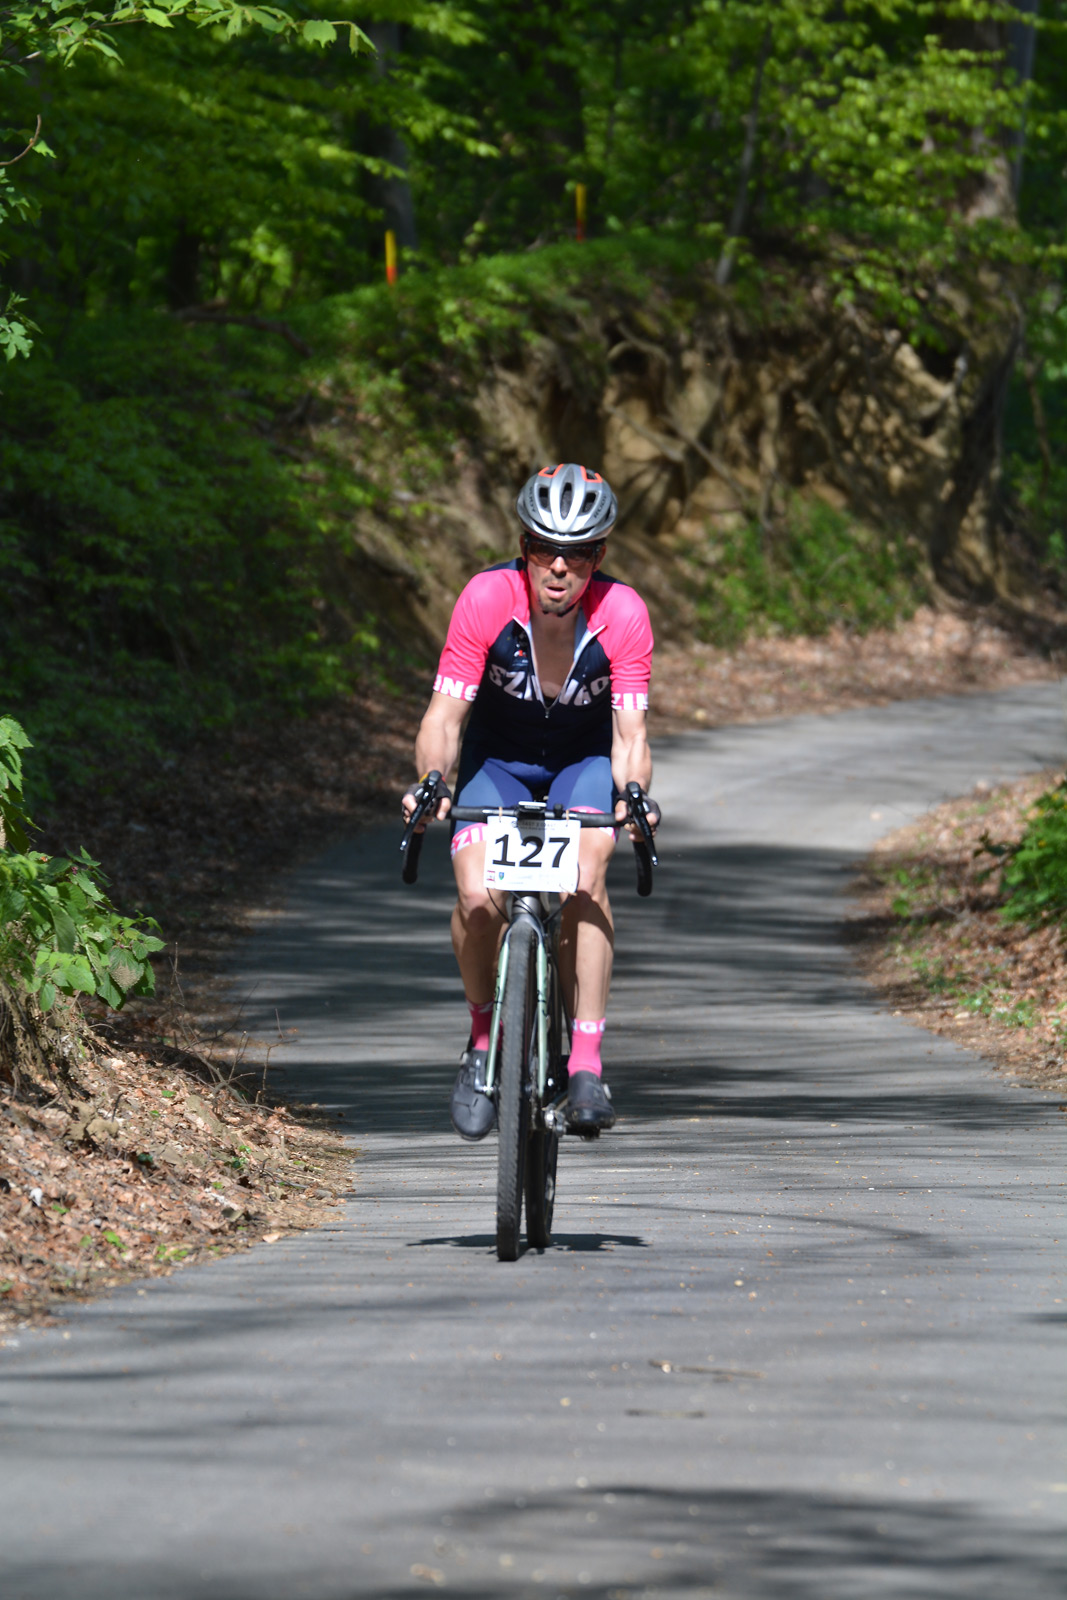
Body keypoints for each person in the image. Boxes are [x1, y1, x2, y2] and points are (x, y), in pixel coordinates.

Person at [401, 462, 659, 1139]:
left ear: (598, 557)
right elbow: (443, 717)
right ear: (523, 549)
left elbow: (630, 733)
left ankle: (586, 1063)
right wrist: (430, 781)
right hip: (498, 764)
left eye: (576, 554)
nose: (558, 568)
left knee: (586, 880)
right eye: (544, 549)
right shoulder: (486, 599)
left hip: (581, 765)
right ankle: (482, 1038)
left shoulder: (623, 614)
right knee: (476, 898)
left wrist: (633, 797)